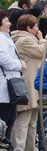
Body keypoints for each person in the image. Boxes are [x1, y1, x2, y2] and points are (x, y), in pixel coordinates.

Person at [11, 14, 47, 151]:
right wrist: (42, 39)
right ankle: (18, 148)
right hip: (27, 83)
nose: (37, 29)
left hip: (33, 83)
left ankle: (30, 148)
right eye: (35, 26)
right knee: (24, 118)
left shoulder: (28, 39)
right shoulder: (24, 40)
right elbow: (41, 52)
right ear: (28, 28)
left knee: (32, 118)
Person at [0, 11, 26, 141]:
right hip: (4, 86)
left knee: (11, 120)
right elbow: (4, 59)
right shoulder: (0, 38)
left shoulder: (6, 38)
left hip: (10, 86)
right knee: (3, 120)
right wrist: (19, 64)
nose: (10, 23)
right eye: (6, 21)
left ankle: (6, 146)